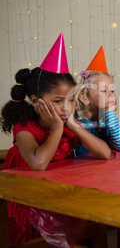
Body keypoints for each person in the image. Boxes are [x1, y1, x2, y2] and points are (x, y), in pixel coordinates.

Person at [0, 34, 111, 246]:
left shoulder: (68, 124)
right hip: (28, 200)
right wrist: (58, 127)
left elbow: (104, 153)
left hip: (57, 196)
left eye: (70, 100)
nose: (66, 107)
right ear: (35, 101)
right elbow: (38, 163)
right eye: (58, 101)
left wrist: (71, 125)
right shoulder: (24, 127)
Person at [74, 46, 120, 156]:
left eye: (112, 90)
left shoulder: (107, 121)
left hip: (103, 172)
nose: (111, 95)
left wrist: (110, 115)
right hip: (79, 171)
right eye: (104, 91)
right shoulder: (76, 122)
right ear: (84, 98)